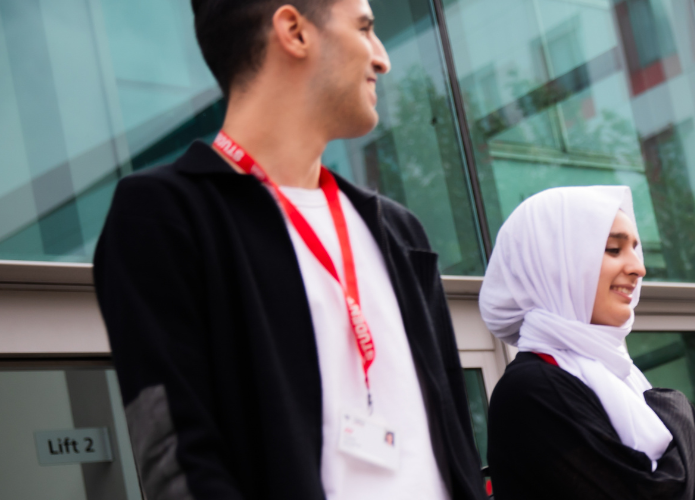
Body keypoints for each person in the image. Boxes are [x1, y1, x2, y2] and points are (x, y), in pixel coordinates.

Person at [92, 0, 484, 498]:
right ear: (293, 31)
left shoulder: (400, 233)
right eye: (364, 28)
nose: (382, 58)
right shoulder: (165, 216)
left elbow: (456, 444)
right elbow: (179, 459)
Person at [478, 186, 695, 500]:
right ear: (555, 265)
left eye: (635, 249)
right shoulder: (532, 389)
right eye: (613, 249)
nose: (639, 268)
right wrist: (680, 420)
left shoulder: (618, 375)